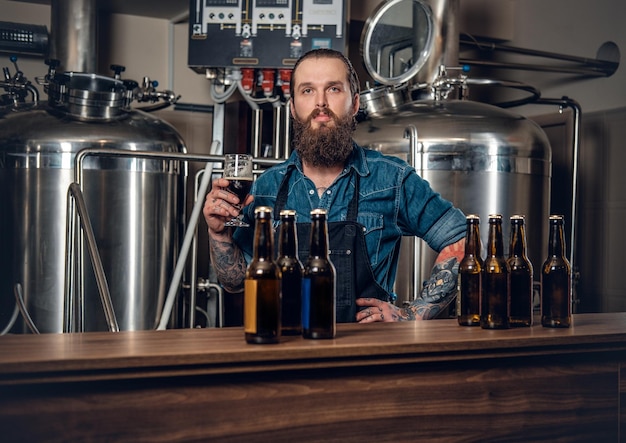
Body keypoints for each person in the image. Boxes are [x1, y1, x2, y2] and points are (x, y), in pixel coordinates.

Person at [203, 48, 466, 322]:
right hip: (284, 350)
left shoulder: (393, 179)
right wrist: (219, 235)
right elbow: (235, 282)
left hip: (367, 352)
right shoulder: (266, 187)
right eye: (307, 91)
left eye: (333, 89)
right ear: (293, 108)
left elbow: (462, 239)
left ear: (354, 104)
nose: (320, 103)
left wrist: (412, 315)